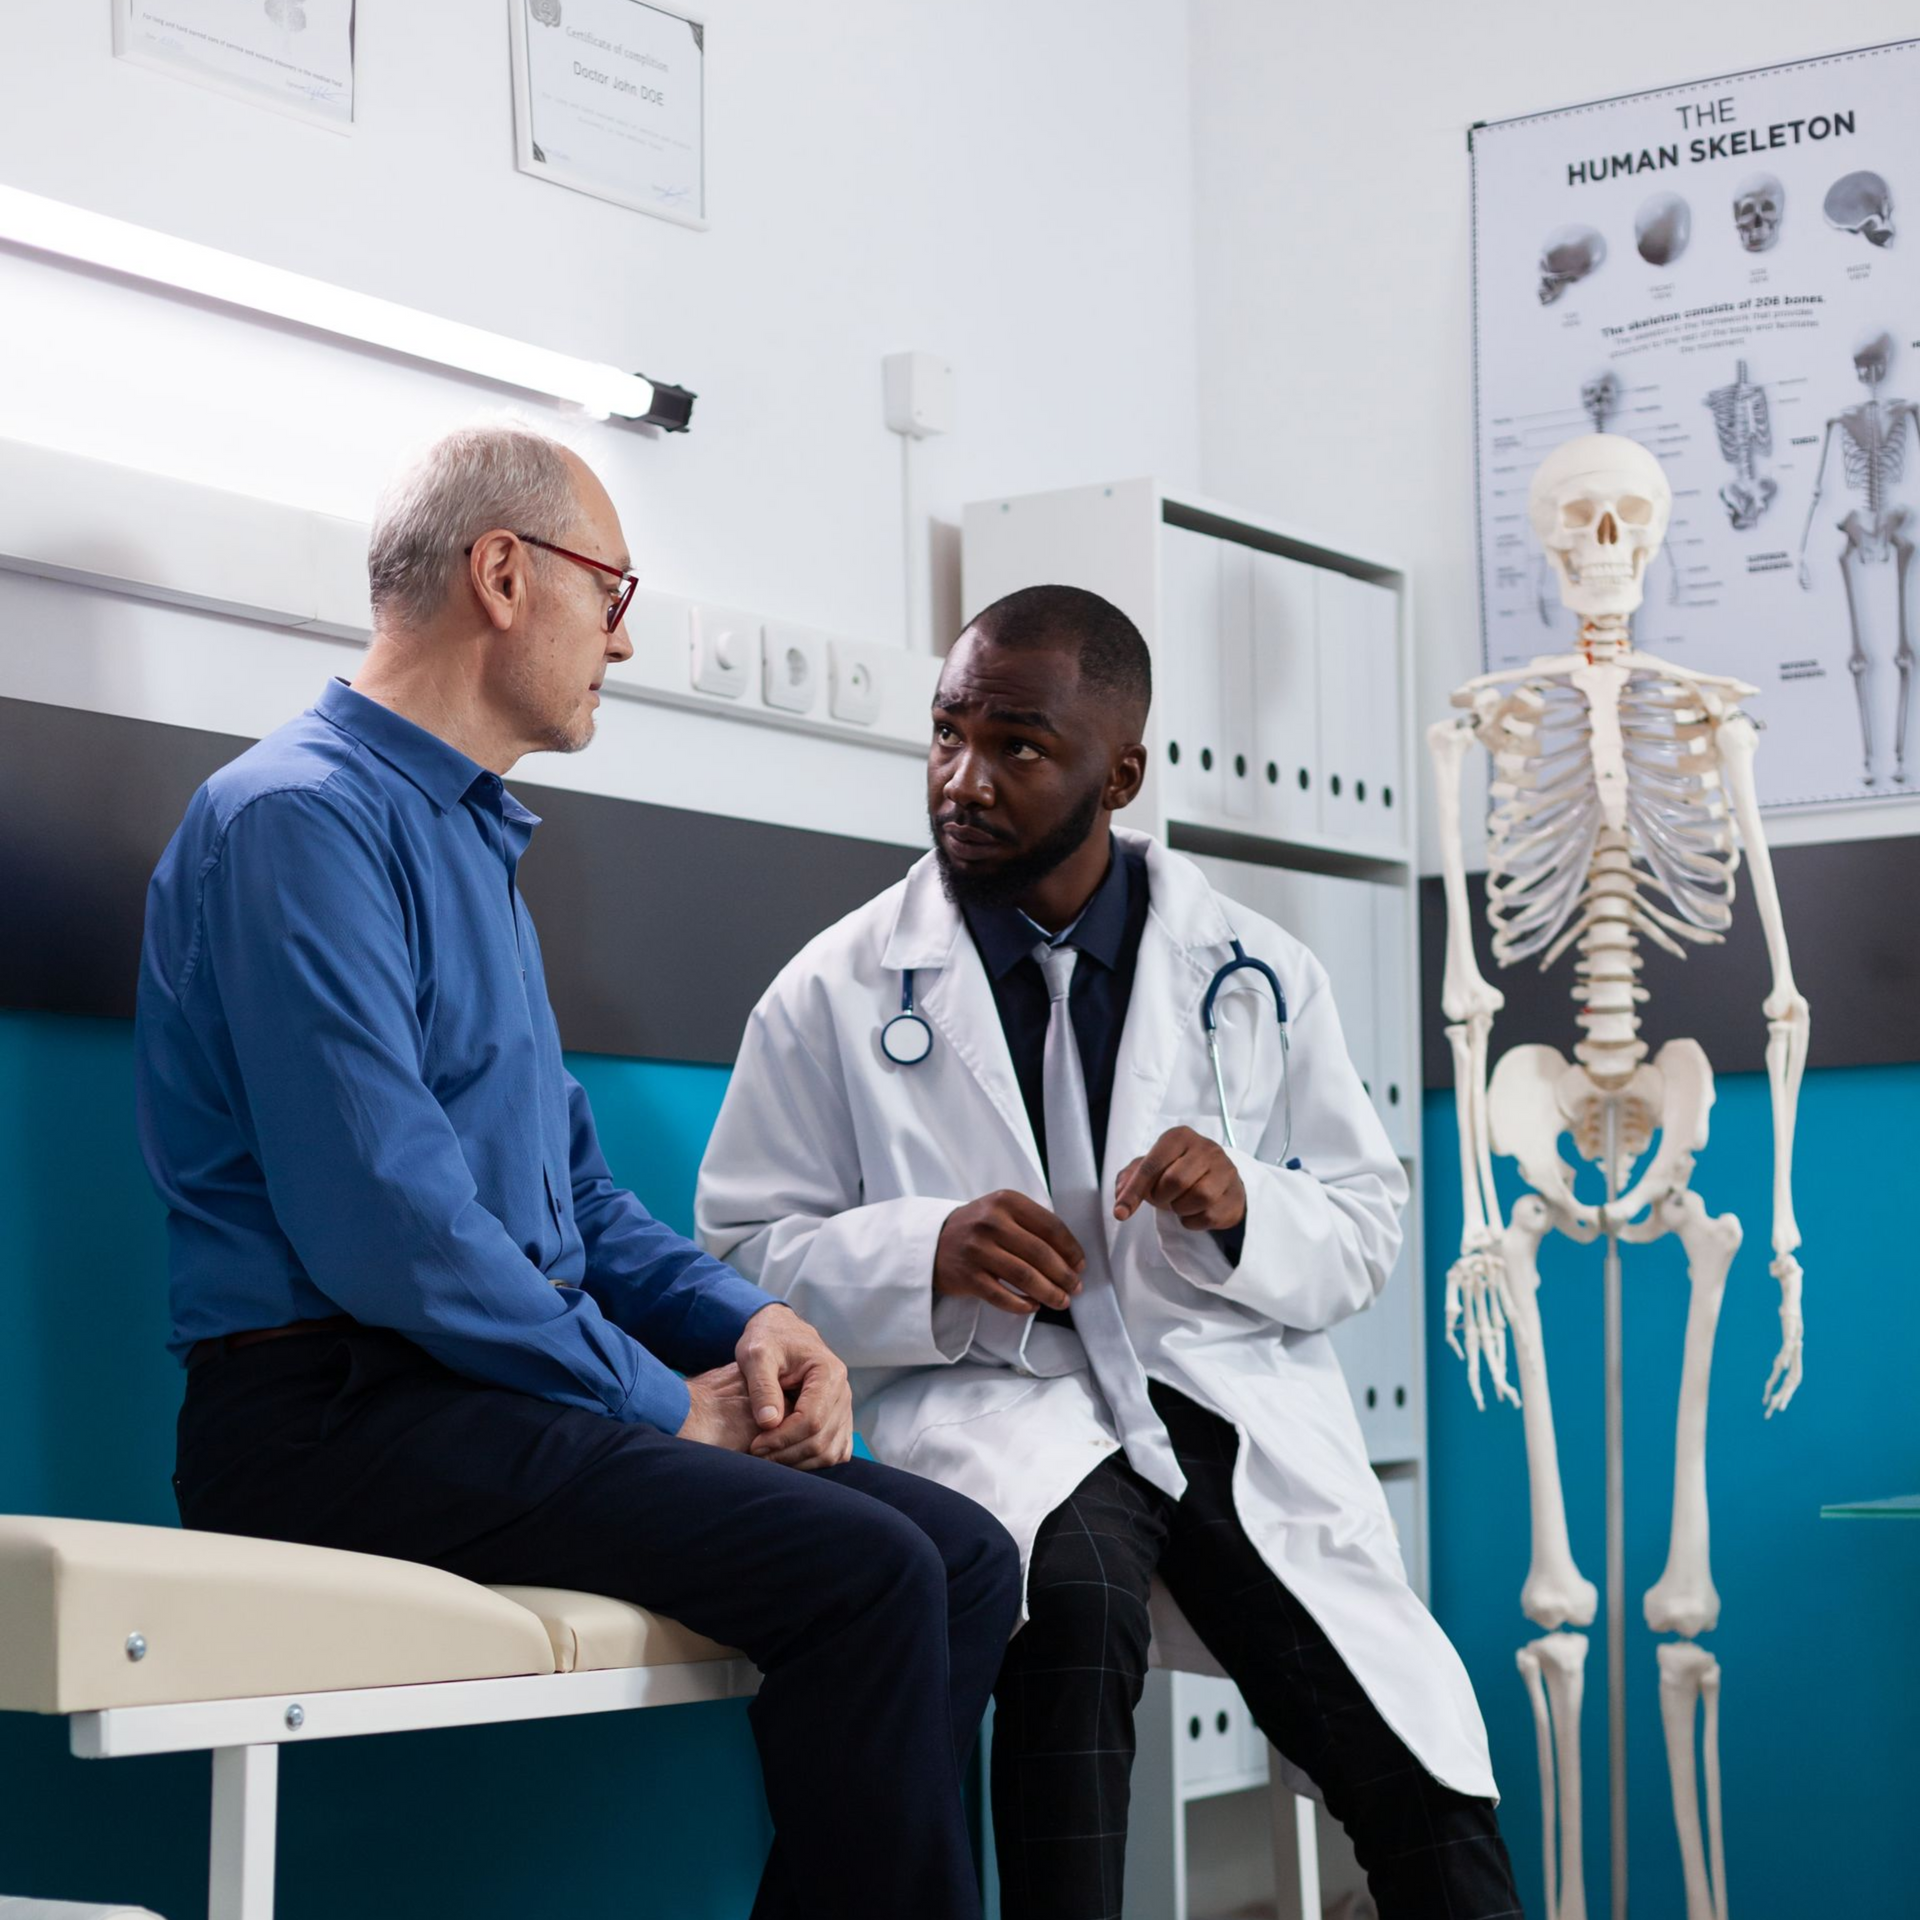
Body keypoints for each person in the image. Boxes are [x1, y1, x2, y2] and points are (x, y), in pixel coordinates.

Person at [136, 424, 1020, 1920]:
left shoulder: (465, 843)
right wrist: (660, 1405)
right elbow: (391, 1234)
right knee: (868, 1575)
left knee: (963, 1555)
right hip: (330, 1418)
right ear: (501, 573)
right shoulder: (301, 822)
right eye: (609, 590)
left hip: (468, 1398)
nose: (621, 635)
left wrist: (744, 1330)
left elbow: (577, 1202)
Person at [696, 584, 1522, 1918]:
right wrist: (927, 1254)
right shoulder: (835, 989)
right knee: (1070, 1615)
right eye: (948, 733)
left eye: (1018, 747)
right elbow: (741, 1255)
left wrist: (1247, 1204)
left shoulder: (1254, 972)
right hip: (1002, 1402)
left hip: (1211, 1395)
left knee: (1396, 1740)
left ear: (1119, 772)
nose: (963, 780)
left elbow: (1366, 1229)